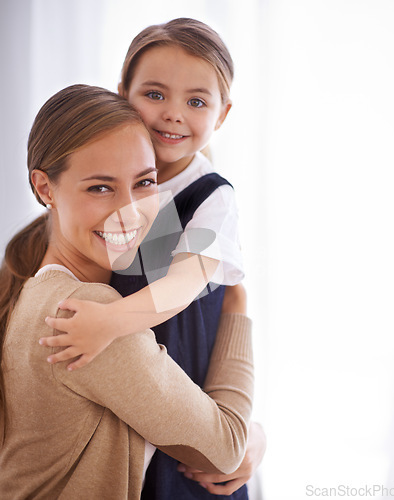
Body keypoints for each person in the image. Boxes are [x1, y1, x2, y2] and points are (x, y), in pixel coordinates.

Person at [39, 19, 266, 498]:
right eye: (155, 94)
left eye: (197, 101)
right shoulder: (90, 180)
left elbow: (185, 285)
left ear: (223, 114)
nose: (173, 115)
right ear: (123, 93)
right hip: (130, 406)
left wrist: (110, 322)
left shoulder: (210, 197)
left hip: (185, 394)